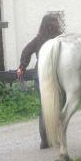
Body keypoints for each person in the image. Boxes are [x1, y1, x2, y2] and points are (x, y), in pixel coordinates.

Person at [16, 12, 65, 149]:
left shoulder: (39, 39)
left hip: (39, 75)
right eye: (55, 21)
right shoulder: (60, 39)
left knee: (45, 107)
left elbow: (26, 52)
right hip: (54, 75)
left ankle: (45, 141)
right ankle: (56, 139)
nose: (58, 24)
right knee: (57, 106)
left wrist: (22, 67)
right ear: (51, 24)